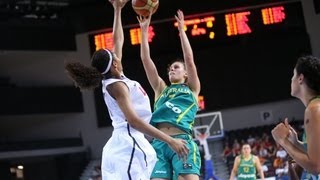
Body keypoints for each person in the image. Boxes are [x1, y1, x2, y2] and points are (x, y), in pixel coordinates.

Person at [64, 0, 189, 179]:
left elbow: (118, 39)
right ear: (115, 63)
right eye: (115, 54)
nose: (117, 52)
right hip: (128, 145)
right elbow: (134, 121)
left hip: (127, 144)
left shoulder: (116, 77)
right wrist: (170, 140)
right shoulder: (117, 86)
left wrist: (117, 10)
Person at [138, 10, 201, 180]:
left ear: (186, 74)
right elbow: (146, 60)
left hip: (182, 142)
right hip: (159, 144)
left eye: (176, 67)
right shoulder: (161, 88)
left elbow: (189, 59)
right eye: (170, 68)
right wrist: (144, 32)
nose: (172, 69)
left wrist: (181, 30)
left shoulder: (192, 89)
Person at [271, 55, 320, 179]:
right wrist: (296, 143)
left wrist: (283, 141)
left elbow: (316, 167)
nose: (291, 79)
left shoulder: (314, 109)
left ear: (300, 78)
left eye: (293, 75)